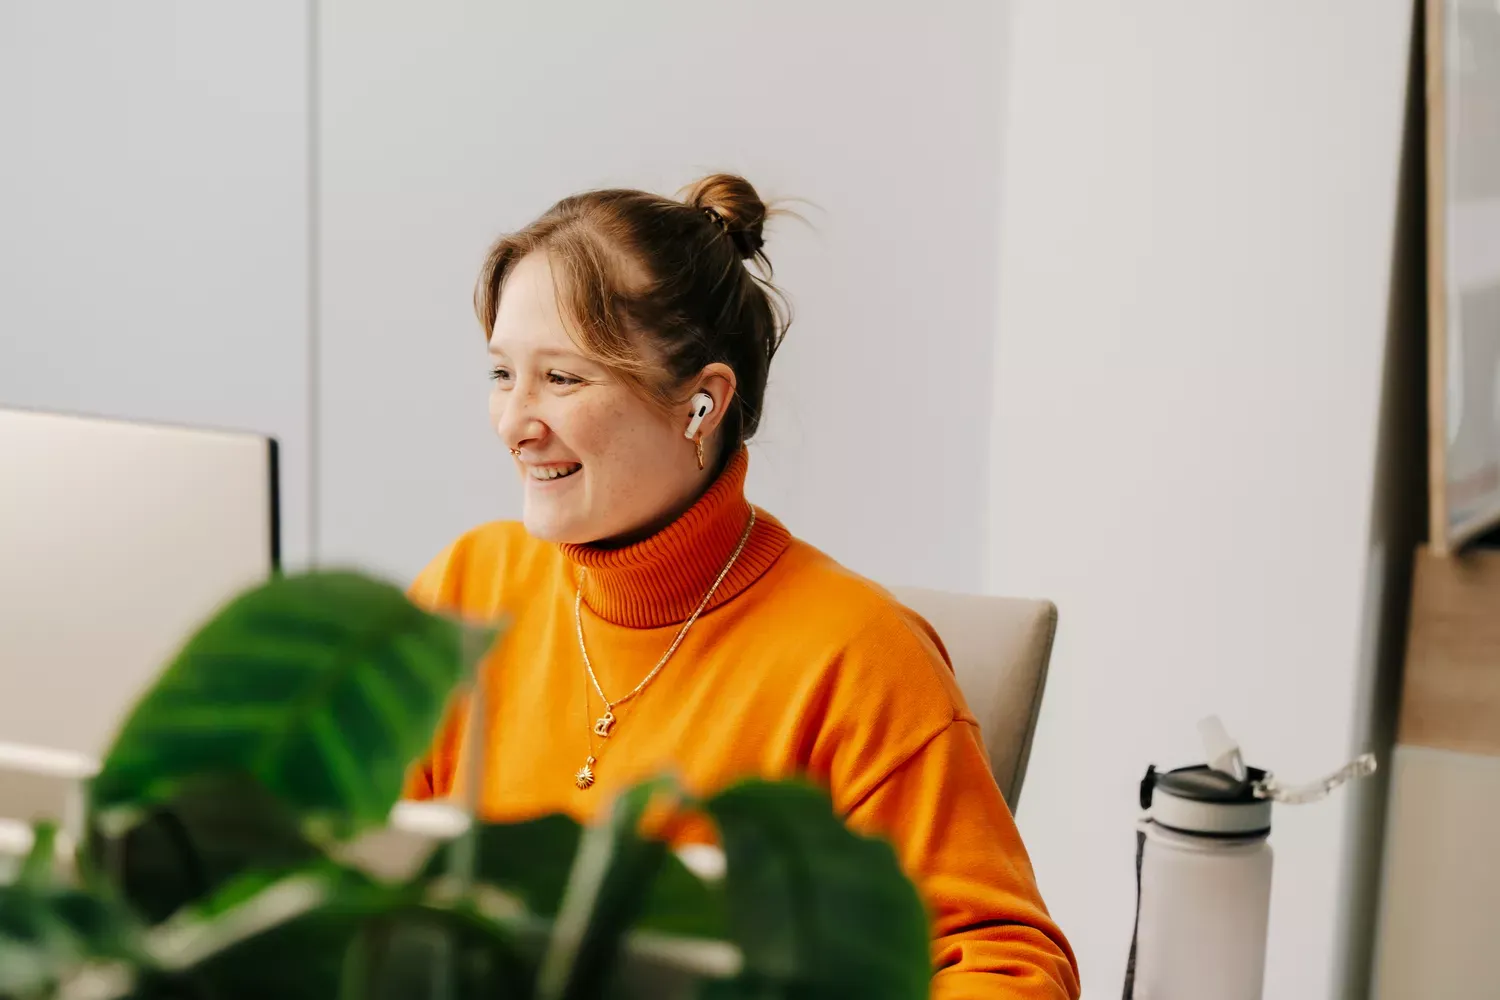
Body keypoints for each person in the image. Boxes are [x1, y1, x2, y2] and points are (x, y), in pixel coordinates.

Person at [403, 174, 1080, 998]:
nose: (515, 423)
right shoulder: (468, 586)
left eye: (564, 378)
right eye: (502, 374)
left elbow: (1004, 965)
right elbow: (335, 860)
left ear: (702, 404)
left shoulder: (859, 658)